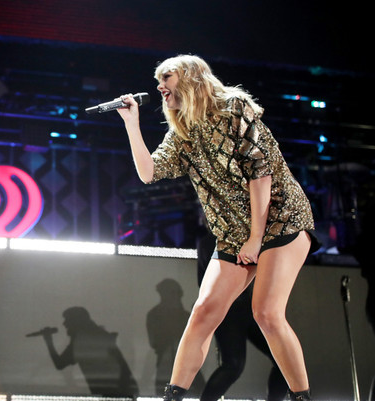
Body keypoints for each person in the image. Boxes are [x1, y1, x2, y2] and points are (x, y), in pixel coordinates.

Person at [115, 54, 320, 401]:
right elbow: (149, 172)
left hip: (280, 219)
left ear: (191, 78)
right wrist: (131, 124)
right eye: (158, 80)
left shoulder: (233, 108)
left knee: (267, 313)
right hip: (232, 231)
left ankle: (302, 398)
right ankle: (173, 397)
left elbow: (260, 174)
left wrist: (256, 238)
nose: (159, 86)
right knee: (203, 311)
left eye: (166, 78)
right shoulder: (182, 130)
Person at [196, 229, 288, 401]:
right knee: (233, 366)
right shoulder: (211, 241)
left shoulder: (238, 236)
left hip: (249, 309)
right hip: (228, 312)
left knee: (284, 360)